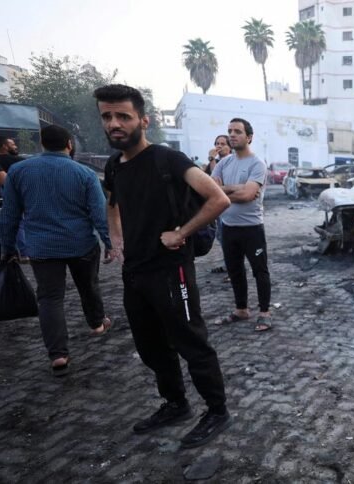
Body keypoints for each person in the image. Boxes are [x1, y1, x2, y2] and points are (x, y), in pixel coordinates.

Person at [95, 84, 233, 449]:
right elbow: (113, 203)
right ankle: (176, 404)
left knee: (191, 342)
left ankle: (217, 411)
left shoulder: (167, 159)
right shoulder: (113, 165)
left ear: (143, 120)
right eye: (107, 117)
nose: (114, 124)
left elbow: (218, 199)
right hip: (135, 272)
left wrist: (182, 232)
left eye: (122, 116)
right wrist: (116, 239)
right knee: (151, 345)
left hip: (173, 270)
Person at [0, 125, 113, 376]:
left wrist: (8, 248)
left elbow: (9, 215)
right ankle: (96, 324)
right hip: (81, 243)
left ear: (42, 143)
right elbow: (98, 213)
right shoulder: (84, 173)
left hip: (42, 247)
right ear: (69, 144)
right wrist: (109, 244)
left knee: (50, 298)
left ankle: (58, 355)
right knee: (89, 286)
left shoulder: (18, 171)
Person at [212, 118, 272, 332]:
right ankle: (241, 309)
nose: (232, 135)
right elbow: (212, 190)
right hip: (228, 227)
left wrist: (225, 191)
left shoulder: (257, 164)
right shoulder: (224, 163)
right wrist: (235, 189)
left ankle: (265, 312)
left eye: (237, 131)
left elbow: (248, 195)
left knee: (259, 271)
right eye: (230, 131)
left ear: (249, 137)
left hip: (252, 228)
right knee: (235, 270)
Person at [206, 135, 232, 276]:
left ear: (230, 147)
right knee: (221, 236)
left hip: (229, 206)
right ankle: (229, 265)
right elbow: (208, 180)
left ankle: (232, 268)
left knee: (227, 237)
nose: (219, 146)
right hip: (217, 206)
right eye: (217, 143)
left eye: (223, 143)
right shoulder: (215, 162)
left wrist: (212, 160)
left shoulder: (232, 162)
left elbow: (217, 182)